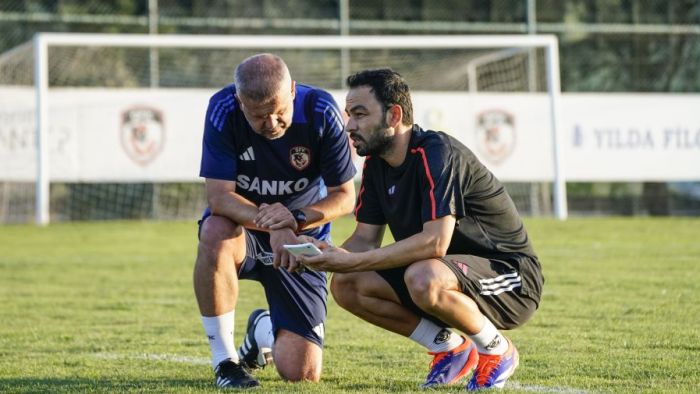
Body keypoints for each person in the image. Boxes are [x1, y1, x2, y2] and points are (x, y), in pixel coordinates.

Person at [299, 69, 544, 390]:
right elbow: (364, 240)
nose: (350, 126)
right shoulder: (376, 165)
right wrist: (326, 257)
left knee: (422, 276)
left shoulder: (437, 153)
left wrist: (351, 260)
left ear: (394, 115)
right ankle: (448, 347)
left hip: (511, 279)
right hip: (441, 275)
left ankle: (496, 350)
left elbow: (435, 243)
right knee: (346, 284)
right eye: (349, 115)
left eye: (360, 114)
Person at [194, 53, 356, 389]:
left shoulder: (322, 111)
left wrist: (294, 222)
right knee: (215, 229)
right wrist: (277, 226)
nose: (271, 123)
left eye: (279, 112)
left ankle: (262, 330)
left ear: (293, 90)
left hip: (301, 241)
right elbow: (220, 198)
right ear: (240, 103)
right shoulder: (223, 108)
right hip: (246, 233)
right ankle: (225, 362)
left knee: (302, 372)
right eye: (258, 116)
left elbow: (345, 196)